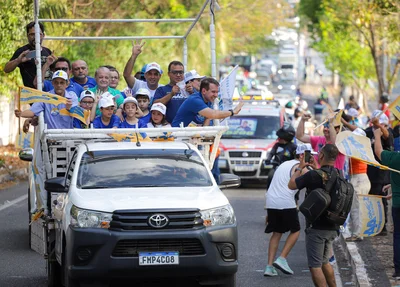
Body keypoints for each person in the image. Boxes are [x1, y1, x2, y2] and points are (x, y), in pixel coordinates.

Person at [288, 144, 340, 287]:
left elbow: (291, 184)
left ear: (321, 156)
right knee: (324, 262)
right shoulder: (338, 173)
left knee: (315, 265)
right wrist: (317, 166)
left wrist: (300, 166)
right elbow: (325, 179)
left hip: (317, 226)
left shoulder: (312, 175)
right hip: (333, 224)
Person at [263, 144, 314, 277]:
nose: (312, 158)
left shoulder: (285, 164)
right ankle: (282, 258)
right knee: (296, 230)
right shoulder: (302, 168)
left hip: (271, 201)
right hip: (285, 201)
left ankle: (269, 267)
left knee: (277, 233)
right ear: (303, 155)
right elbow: (316, 179)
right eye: (310, 155)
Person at [373, 128, 400, 280]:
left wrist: (377, 135)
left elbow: (379, 152)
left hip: (398, 204)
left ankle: (398, 270)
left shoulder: (396, 158)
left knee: (398, 235)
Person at [171, 77, 244, 127]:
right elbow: (213, 114)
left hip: (188, 135)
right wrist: (232, 112)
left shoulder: (208, 100)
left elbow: (208, 119)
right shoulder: (195, 100)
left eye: (217, 92)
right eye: (213, 92)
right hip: (177, 136)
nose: (216, 95)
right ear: (203, 91)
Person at [4, 21, 52, 88]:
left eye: (38, 34)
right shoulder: (22, 51)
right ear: (27, 36)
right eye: (32, 34)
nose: (35, 37)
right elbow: (6, 69)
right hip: (31, 93)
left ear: (43, 35)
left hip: (48, 93)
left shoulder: (47, 51)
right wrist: (18, 60)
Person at [346, 128, 371, 241]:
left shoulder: (360, 149)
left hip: (359, 178)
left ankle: (357, 234)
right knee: (356, 207)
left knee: (357, 208)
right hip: (357, 178)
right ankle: (358, 232)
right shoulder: (359, 147)